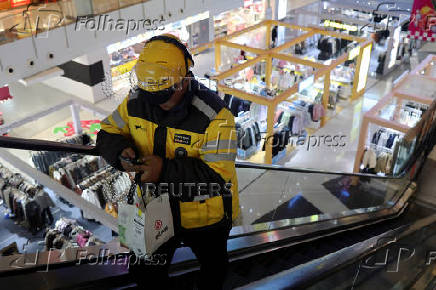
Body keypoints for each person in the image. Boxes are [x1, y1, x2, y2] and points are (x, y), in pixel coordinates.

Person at [96, 34, 239, 289]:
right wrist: (121, 153)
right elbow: (108, 132)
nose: (158, 104)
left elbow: (217, 177)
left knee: (213, 268)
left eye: (164, 95)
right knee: (146, 273)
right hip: (154, 209)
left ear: (184, 79)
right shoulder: (137, 101)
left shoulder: (216, 117)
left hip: (205, 217)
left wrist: (163, 169)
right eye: (152, 96)